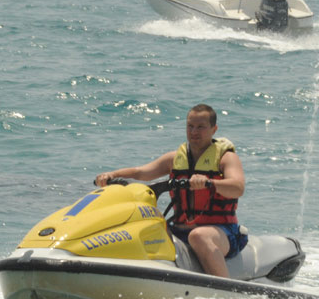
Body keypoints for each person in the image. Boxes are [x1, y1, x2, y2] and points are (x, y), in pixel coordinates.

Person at [95, 104, 247, 278]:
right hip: (180, 229)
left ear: (214, 129)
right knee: (144, 226)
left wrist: (209, 183)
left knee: (199, 236)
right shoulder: (174, 159)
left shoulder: (226, 158)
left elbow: (238, 187)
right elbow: (140, 172)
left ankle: (225, 293)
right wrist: (112, 174)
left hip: (223, 231)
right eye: (190, 126)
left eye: (200, 127)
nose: (194, 132)